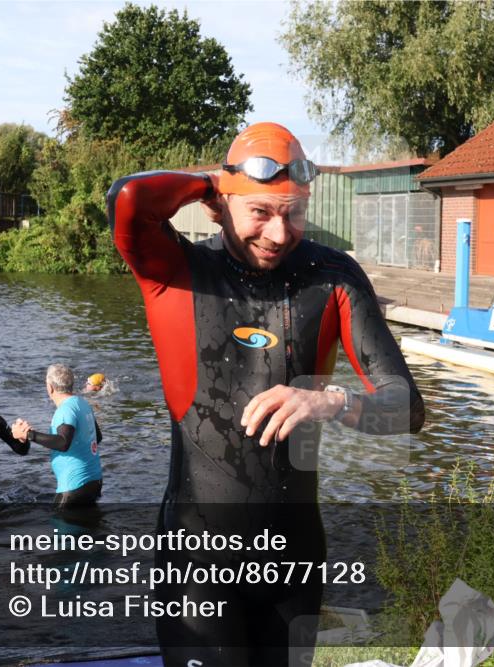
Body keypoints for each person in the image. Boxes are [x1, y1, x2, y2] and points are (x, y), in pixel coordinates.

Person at [107, 122, 425, 666]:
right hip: (197, 565)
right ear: (220, 205)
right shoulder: (178, 272)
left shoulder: (333, 276)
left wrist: (332, 401)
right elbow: (129, 199)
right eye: (260, 211)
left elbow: (407, 409)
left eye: (293, 212)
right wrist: (215, 182)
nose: (279, 233)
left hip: (293, 564)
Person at [14, 364, 102, 508]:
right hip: (94, 481)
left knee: (59, 526)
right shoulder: (82, 403)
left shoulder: (65, 410)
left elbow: (63, 443)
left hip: (74, 486)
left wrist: (28, 434)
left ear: (50, 387)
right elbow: (97, 437)